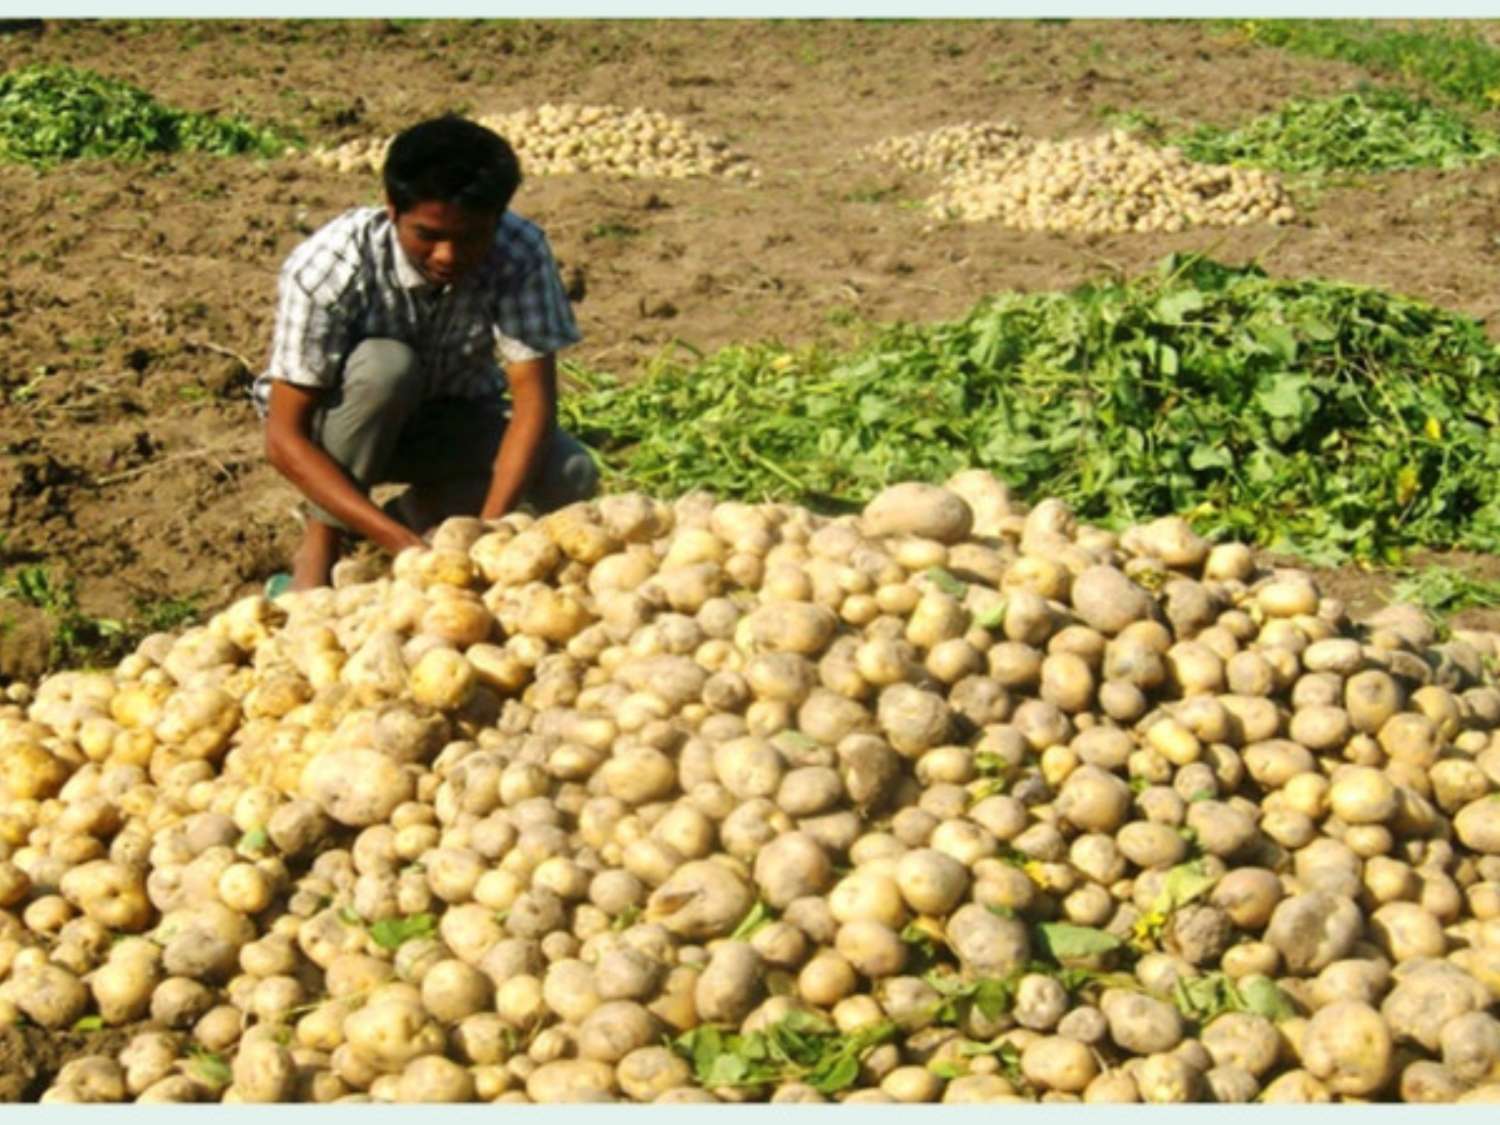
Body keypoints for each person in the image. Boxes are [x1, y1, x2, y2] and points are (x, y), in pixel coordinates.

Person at [253, 114, 598, 591]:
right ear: (392, 209)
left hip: (447, 419)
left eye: (471, 237)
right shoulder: (331, 264)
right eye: (428, 235)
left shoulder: (519, 252)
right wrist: (401, 545)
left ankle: (414, 513)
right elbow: (283, 438)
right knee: (386, 367)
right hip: (339, 429)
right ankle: (323, 542)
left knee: (571, 472)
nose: (447, 256)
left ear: (497, 219)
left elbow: (533, 404)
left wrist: (488, 535)